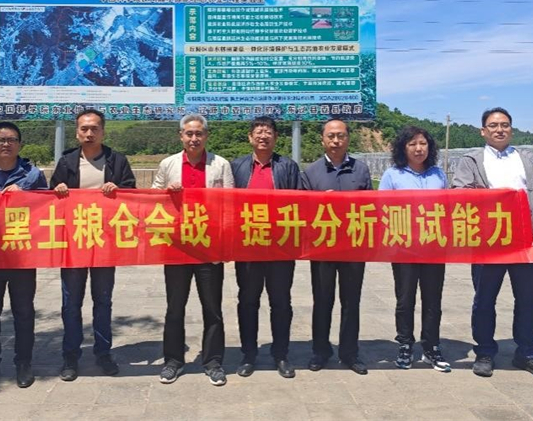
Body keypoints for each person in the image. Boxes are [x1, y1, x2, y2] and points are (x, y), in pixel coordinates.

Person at [452, 107, 533, 380]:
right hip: (488, 244)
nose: (500, 129)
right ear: (483, 131)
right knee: (484, 300)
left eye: (505, 125)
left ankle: (528, 353)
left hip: (525, 242)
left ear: (511, 129)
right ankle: (485, 352)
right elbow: (459, 194)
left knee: (529, 299)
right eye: (493, 125)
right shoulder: (471, 161)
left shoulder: (528, 159)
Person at [51, 109, 136, 381]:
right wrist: (58, 191)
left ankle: (103, 353)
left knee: (103, 301)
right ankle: (70, 356)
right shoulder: (66, 161)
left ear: (103, 131)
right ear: (77, 132)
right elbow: (50, 197)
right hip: (73, 242)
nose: (89, 133)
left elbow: (133, 194)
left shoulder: (117, 160)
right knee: (70, 303)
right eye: (84, 129)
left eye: (94, 128)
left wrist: (118, 190)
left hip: (104, 242)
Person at [152, 113, 234, 386]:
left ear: (206, 136)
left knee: (212, 308)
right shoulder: (168, 164)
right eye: (189, 134)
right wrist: (167, 193)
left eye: (199, 133)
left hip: (209, 249)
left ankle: (213, 362)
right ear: (181, 136)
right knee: (175, 308)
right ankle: (173, 361)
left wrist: (226, 244)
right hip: (177, 248)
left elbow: (231, 204)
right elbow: (152, 199)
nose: (194, 138)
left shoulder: (220, 164)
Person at [0, 122, 48, 390]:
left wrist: (25, 196)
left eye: (12, 139)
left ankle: (23, 363)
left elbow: (47, 209)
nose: (6, 144)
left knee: (23, 312)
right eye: (0, 140)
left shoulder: (33, 176)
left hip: (22, 257)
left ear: (20, 145)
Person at [230, 116, 301, 379]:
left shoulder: (288, 166)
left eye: (268, 132)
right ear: (250, 137)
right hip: (247, 247)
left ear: (275, 137)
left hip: (280, 248)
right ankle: (248, 355)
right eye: (258, 131)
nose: (263, 136)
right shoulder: (237, 166)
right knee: (248, 301)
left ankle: (281, 355)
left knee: (281, 302)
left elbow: (300, 202)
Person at [301, 118, 372, 375]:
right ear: (322, 139)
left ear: (348, 139)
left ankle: (349, 352)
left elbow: (372, 208)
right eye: (330, 136)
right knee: (322, 300)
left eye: (340, 135)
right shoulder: (310, 172)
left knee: (351, 301)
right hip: (322, 248)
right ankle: (320, 351)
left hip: (353, 247)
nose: (335, 140)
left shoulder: (361, 170)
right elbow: (302, 212)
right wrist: (321, 203)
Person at [378, 126, 450, 372]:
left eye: (423, 143)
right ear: (403, 148)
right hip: (404, 248)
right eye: (412, 144)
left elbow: (448, 208)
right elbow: (381, 210)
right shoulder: (392, 175)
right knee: (405, 299)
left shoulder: (438, 175)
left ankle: (431, 346)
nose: (419, 149)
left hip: (433, 247)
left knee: (433, 299)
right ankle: (405, 345)